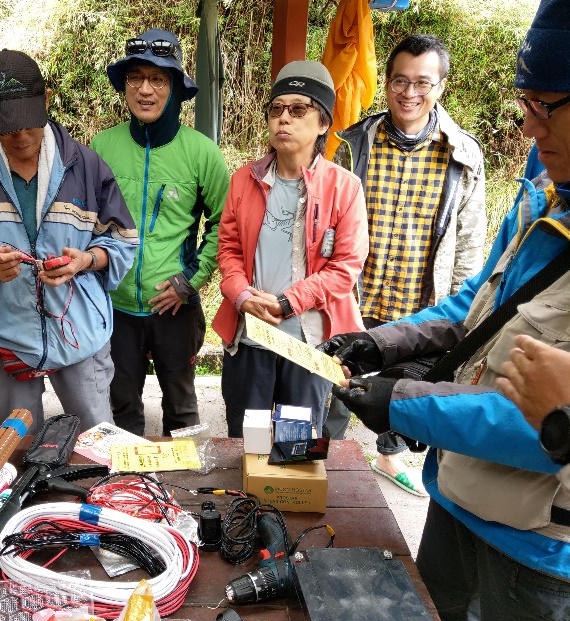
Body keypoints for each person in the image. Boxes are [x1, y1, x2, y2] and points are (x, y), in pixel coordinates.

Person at [323, 2, 570, 621]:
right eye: (525, 102)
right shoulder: (547, 186)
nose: (527, 126)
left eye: (545, 105)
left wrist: (401, 404)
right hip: (460, 493)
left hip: (538, 540)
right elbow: (478, 308)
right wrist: (379, 342)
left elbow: (543, 423)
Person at [0, 50, 137, 434]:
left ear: (47, 99)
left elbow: (121, 241)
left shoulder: (86, 166)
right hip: (9, 337)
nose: (21, 136)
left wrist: (85, 261)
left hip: (80, 332)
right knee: (16, 446)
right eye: (7, 126)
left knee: (96, 438)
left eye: (30, 122)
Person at [331, 34, 486, 495]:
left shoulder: (462, 153)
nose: (409, 93)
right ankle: (326, 459)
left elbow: (469, 242)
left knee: (403, 392)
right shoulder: (356, 141)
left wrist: (465, 313)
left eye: (423, 82)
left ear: (441, 86)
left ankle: (389, 455)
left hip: (420, 303)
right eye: (400, 80)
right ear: (387, 82)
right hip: (357, 291)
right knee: (338, 382)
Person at [212, 60, 368, 438]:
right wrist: (242, 294)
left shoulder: (343, 188)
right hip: (250, 337)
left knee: (296, 443)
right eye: (276, 109)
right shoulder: (244, 180)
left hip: (308, 343)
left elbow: (346, 267)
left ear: (323, 123)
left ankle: (289, 499)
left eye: (299, 109)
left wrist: (288, 302)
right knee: (248, 438)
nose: (284, 119)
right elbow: (228, 250)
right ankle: (247, 497)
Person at [90, 30, 229, 436]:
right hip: (114, 305)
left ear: (176, 88)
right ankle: (124, 491)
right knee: (121, 405)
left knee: (182, 406)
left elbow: (225, 225)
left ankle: (184, 489)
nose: (145, 90)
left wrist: (191, 281)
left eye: (159, 79)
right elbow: (85, 221)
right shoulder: (102, 146)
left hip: (175, 307)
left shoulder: (202, 152)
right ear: (124, 85)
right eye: (135, 78)